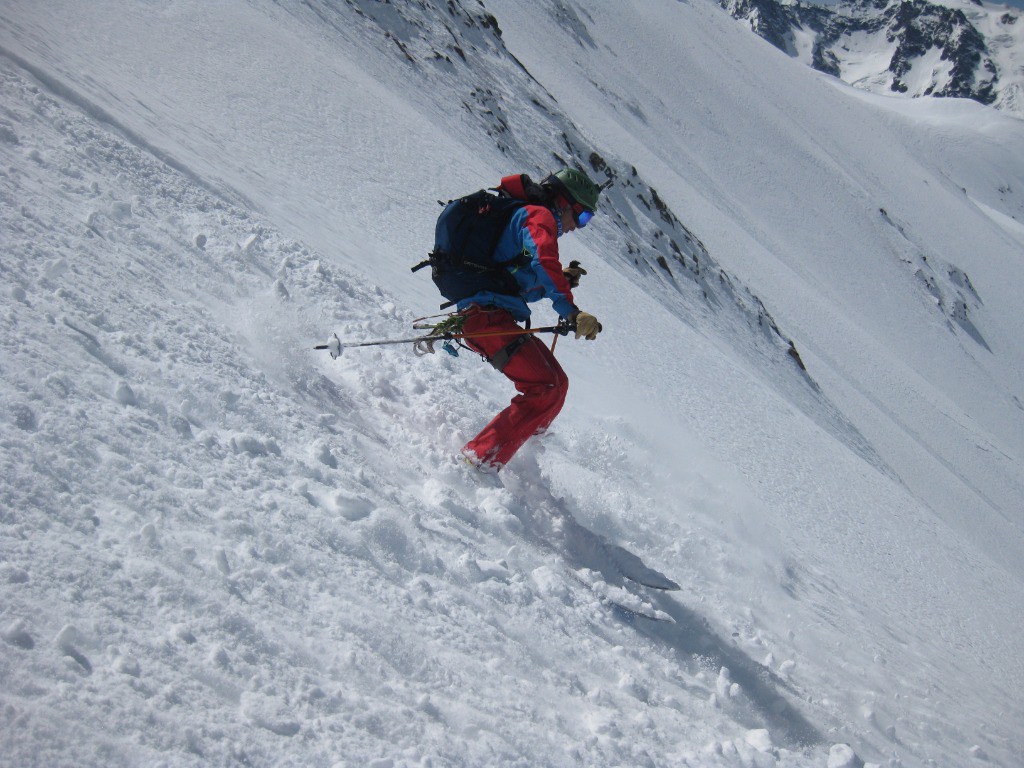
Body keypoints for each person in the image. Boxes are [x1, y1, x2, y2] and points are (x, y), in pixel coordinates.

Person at [458, 168, 603, 473]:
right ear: (566, 203)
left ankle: (521, 457)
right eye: (583, 216)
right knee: (546, 386)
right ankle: (478, 462)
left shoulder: (527, 216)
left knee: (557, 384)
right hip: (486, 318)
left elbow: (520, 284)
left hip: (488, 315)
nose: (578, 227)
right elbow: (544, 262)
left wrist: (559, 282)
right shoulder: (539, 216)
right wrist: (571, 311)